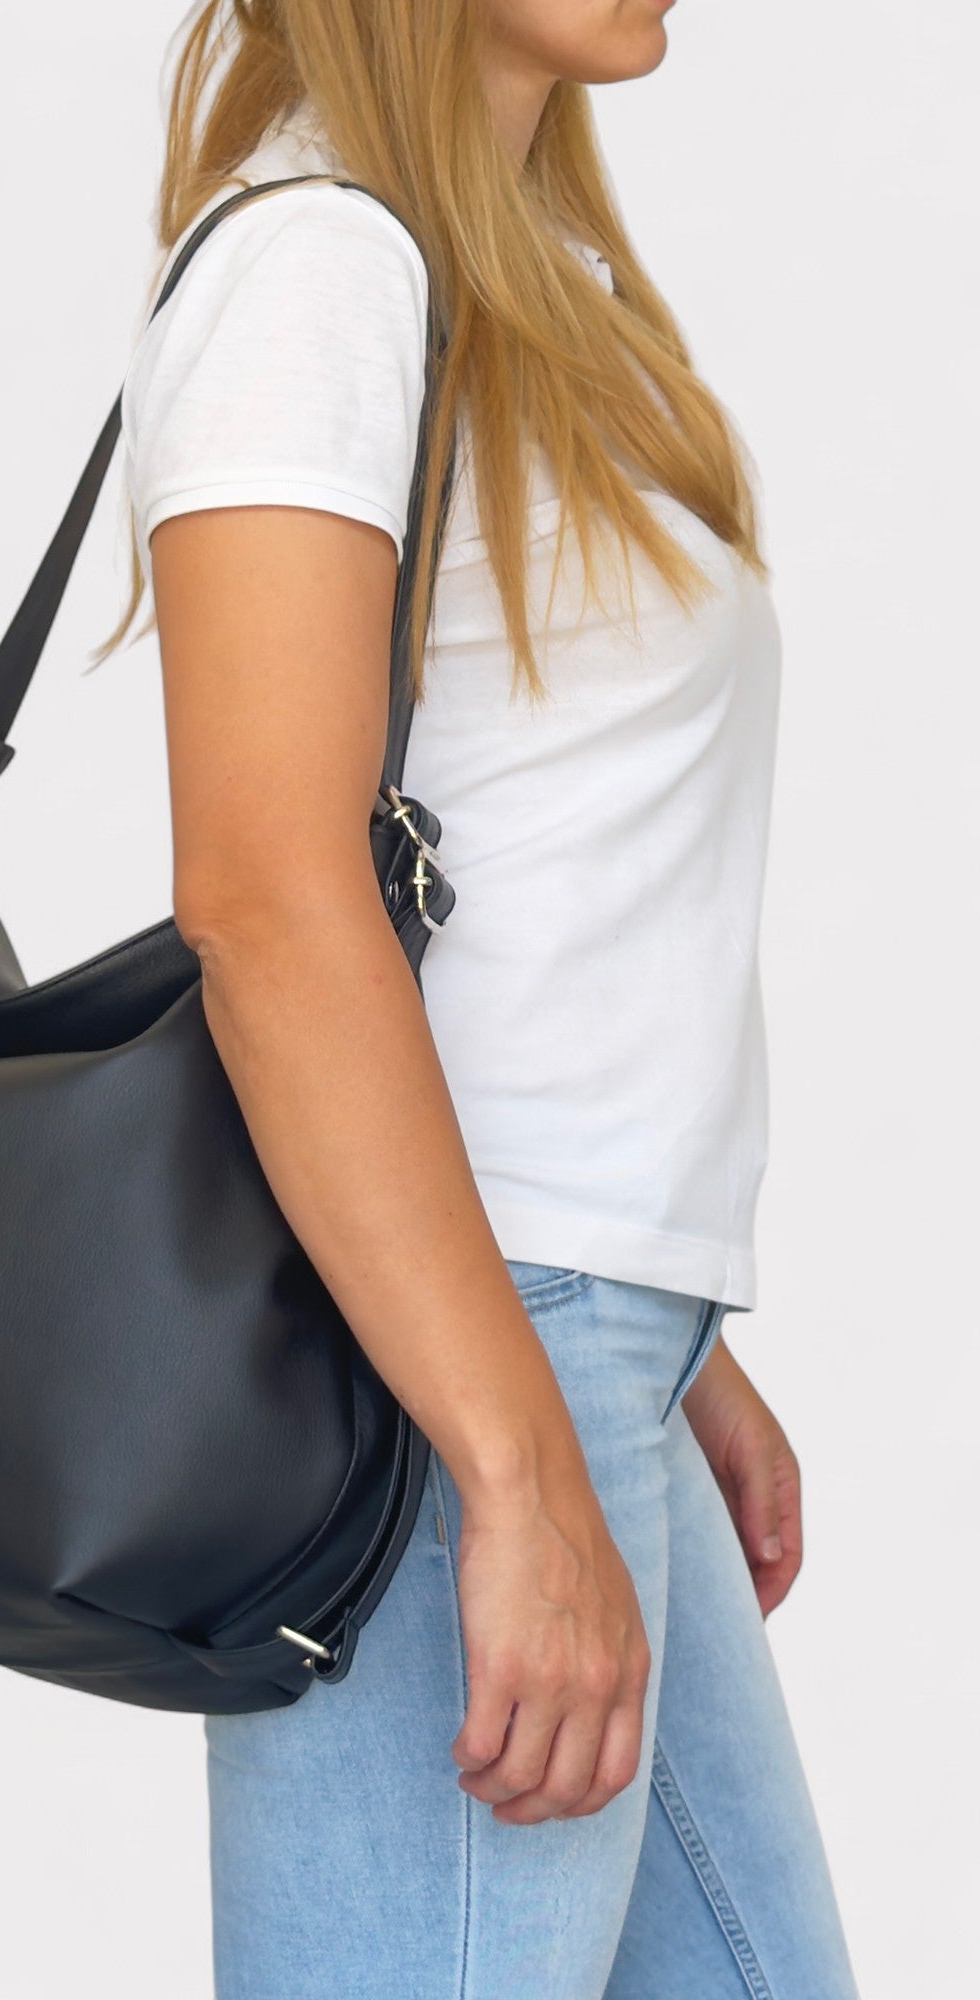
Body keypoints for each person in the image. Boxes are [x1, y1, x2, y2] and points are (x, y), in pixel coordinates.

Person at [106, 3, 860, 1995]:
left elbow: (519, 863)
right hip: (445, 1368)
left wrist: (665, 1326)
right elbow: (267, 895)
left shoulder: (518, 292)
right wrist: (517, 1461)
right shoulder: (314, 270)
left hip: (560, 1327)